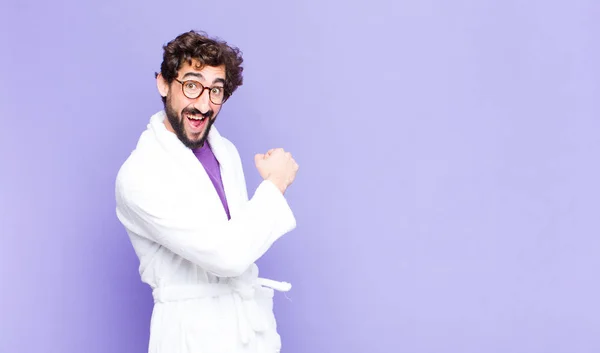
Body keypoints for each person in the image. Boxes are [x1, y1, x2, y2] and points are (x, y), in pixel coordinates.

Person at [115, 30, 299, 353]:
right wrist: (274, 185)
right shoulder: (139, 175)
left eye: (216, 90)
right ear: (163, 83)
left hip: (247, 335)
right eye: (191, 85)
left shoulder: (225, 151)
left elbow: (242, 243)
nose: (204, 104)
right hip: (190, 338)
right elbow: (228, 256)